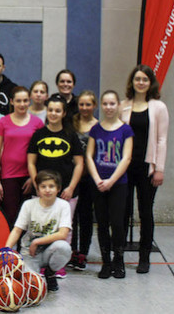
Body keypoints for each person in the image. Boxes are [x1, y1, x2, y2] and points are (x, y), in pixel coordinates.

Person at [27, 94, 83, 279]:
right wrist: (36, 184)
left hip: (66, 191)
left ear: (63, 113)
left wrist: (71, 187)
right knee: (41, 228)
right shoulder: (39, 134)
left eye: (57, 110)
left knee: (63, 229)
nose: (53, 113)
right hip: (42, 191)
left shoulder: (71, 135)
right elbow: (31, 162)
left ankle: (58, 265)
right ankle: (42, 262)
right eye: (50, 110)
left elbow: (79, 164)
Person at [120, 64, 169, 274]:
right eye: (137, 79)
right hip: (125, 167)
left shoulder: (159, 107)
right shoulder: (123, 106)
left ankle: (144, 257)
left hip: (147, 167)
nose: (141, 82)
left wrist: (160, 168)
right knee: (122, 212)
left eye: (145, 80)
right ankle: (118, 255)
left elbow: (161, 139)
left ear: (150, 83)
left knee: (145, 212)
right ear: (132, 82)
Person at [86, 90, 133, 279]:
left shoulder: (125, 130)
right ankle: (106, 262)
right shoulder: (96, 129)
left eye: (112, 103)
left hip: (118, 184)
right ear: (101, 106)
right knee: (102, 223)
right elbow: (89, 155)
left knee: (117, 223)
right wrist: (98, 179)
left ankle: (118, 260)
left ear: (118, 105)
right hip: (98, 184)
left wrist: (111, 181)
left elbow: (127, 157)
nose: (109, 107)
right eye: (105, 104)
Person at [5, 170, 72, 292]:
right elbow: (17, 230)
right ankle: (33, 274)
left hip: (50, 251)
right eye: (43, 186)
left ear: (58, 188)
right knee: (31, 288)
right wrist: (6, 250)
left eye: (51, 186)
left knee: (64, 248)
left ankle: (50, 273)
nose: (47, 190)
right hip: (30, 254)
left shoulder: (63, 205)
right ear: (38, 189)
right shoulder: (28, 205)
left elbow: (63, 234)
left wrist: (37, 242)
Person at [0, 86, 44, 226]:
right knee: (10, 215)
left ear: (29, 101)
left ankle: (24, 248)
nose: (22, 104)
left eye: (25, 101)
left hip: (28, 175)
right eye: (18, 101)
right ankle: (10, 248)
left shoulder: (37, 123)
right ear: (11, 102)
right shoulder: (3, 122)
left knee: (28, 217)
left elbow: (40, 154)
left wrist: (32, 178)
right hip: (8, 176)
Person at [67, 90, 98, 271]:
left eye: (88, 104)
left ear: (94, 106)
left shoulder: (98, 126)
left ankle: (83, 253)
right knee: (71, 217)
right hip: (73, 175)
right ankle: (71, 251)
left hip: (89, 177)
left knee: (85, 216)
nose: (85, 108)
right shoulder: (72, 123)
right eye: (82, 104)